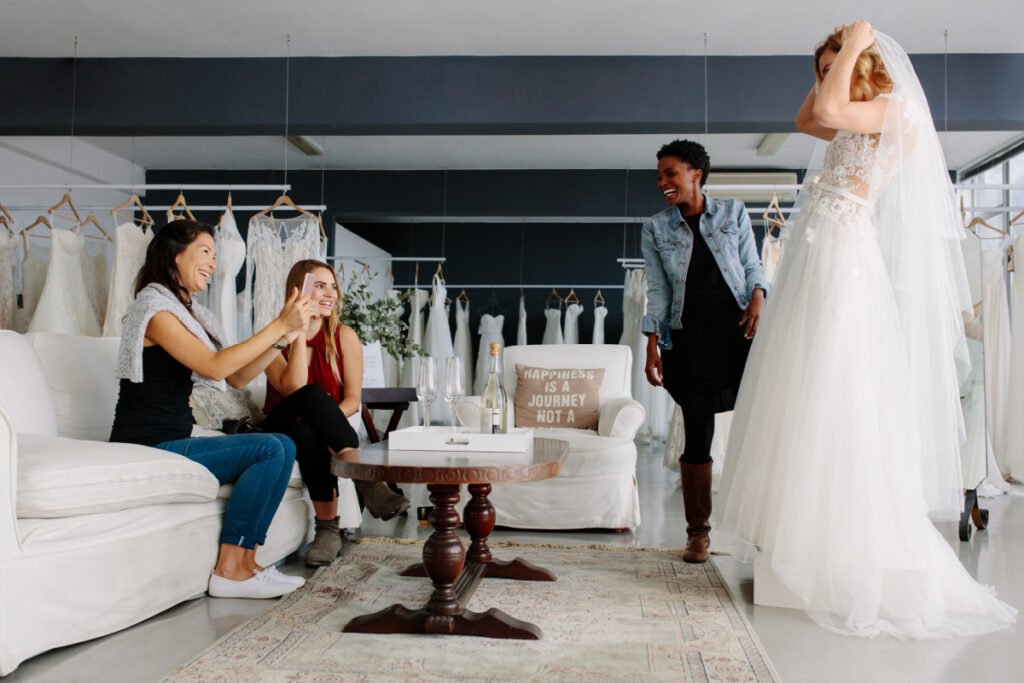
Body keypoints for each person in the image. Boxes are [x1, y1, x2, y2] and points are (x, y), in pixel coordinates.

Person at [717, 22, 1017, 637]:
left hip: (844, 248)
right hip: (820, 246)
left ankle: (838, 540)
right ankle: (795, 532)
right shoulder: (850, 110)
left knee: (834, 375)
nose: (829, 81)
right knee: (802, 380)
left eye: (838, 68)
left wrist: (855, 42)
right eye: (824, 70)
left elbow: (825, 109)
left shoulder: (895, 109)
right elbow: (808, 119)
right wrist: (827, 66)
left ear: (866, 66)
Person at [110, 220, 313, 599]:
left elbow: (235, 377)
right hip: (146, 444)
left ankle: (247, 563)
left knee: (281, 444)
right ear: (174, 254)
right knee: (271, 447)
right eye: (205, 252)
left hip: (172, 438)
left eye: (215, 256)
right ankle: (231, 569)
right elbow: (214, 366)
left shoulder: (190, 313)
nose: (212, 263)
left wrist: (282, 338)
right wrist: (277, 324)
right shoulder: (154, 309)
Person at [640, 139, 769, 564]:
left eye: (670, 173)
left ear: (696, 173)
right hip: (689, 338)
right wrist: (652, 344)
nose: (662, 182)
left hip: (738, 332)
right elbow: (657, 291)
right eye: (659, 175)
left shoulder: (732, 213)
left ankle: (767, 526)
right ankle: (698, 533)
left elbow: (752, 266)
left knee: (762, 422)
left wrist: (758, 297)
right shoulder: (655, 228)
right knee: (698, 431)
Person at [262, 260, 410, 566]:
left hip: (309, 433)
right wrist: (299, 331)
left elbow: (354, 399)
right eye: (319, 286)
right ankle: (368, 483)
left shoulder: (344, 336)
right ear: (299, 291)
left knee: (309, 432)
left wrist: (322, 421)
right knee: (311, 397)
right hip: (277, 427)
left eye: (333, 286)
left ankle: (328, 530)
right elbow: (292, 388)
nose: (330, 293)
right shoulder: (275, 336)